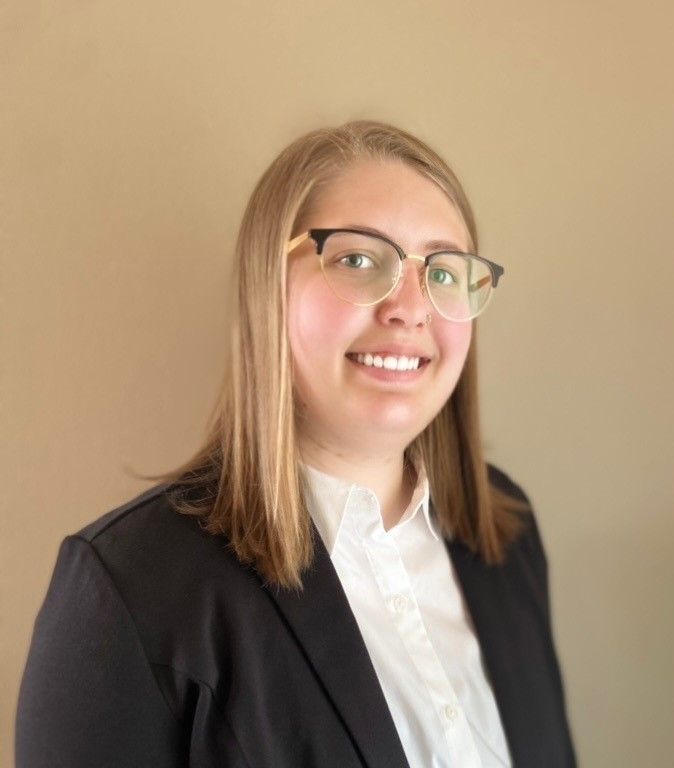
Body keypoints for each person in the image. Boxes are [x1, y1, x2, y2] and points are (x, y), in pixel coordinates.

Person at [16, 120, 577, 767]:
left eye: (444, 272)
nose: (410, 307)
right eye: (359, 259)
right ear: (266, 287)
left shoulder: (505, 536)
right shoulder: (129, 590)